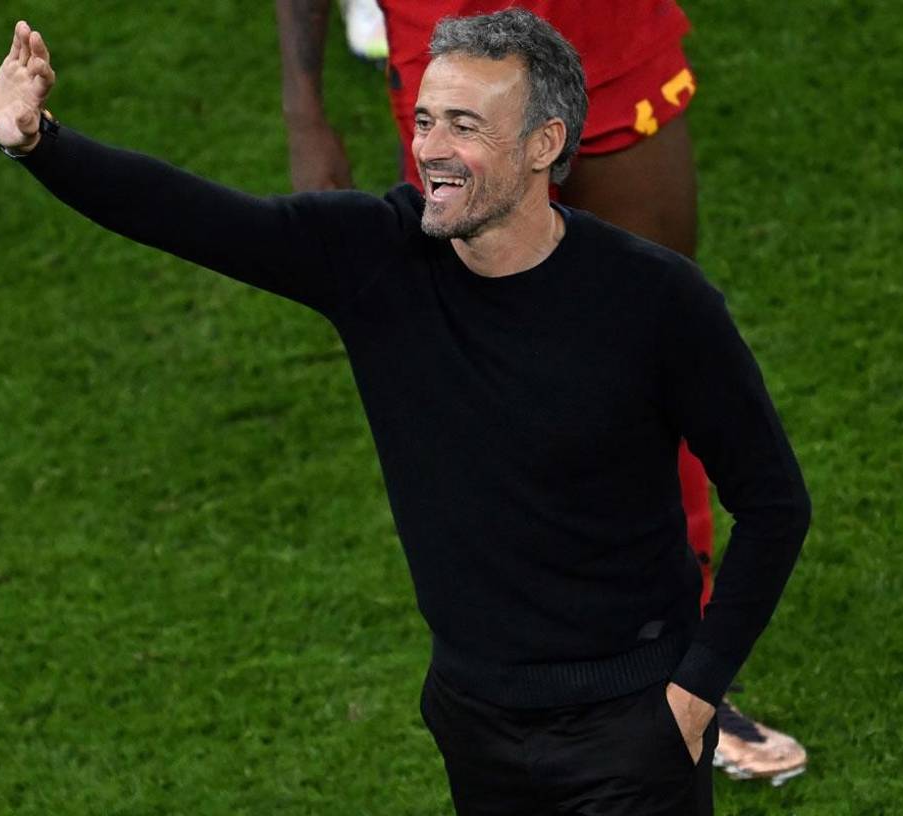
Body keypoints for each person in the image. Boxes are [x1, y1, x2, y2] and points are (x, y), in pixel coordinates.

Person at [0, 11, 810, 813]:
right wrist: (37, 141)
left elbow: (773, 502)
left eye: (463, 126)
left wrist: (696, 693)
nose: (431, 151)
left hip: (630, 728)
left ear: (542, 147)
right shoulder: (374, 258)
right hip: (473, 720)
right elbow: (198, 217)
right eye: (423, 119)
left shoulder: (657, 302)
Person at [275, 0, 810, 784]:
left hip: (602, 19)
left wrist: (690, 684)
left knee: (655, 326)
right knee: (485, 316)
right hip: (455, 27)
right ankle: (526, 680)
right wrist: (305, 109)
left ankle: (689, 666)